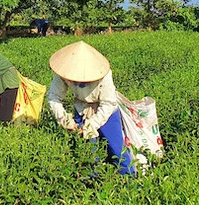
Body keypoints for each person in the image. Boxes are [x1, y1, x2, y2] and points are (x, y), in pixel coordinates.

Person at [46, 41, 135, 176]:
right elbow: (54, 97)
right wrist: (64, 119)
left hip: (106, 111)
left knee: (117, 150)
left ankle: (130, 182)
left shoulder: (104, 74)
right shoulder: (63, 73)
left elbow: (108, 103)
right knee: (87, 152)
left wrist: (93, 123)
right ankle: (92, 183)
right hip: (82, 109)